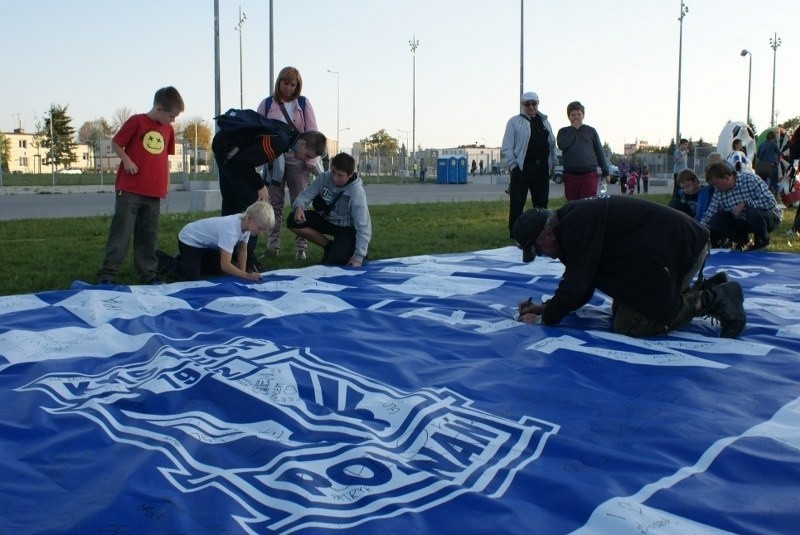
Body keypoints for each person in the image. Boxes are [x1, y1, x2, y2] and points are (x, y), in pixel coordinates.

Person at [512, 196, 746, 338]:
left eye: (539, 249)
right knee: (621, 310)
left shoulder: (576, 226)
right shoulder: (571, 224)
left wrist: (544, 319)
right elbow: (581, 288)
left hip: (683, 251)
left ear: (548, 232)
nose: (545, 256)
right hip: (673, 250)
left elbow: (577, 286)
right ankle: (706, 287)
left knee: (632, 324)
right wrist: (546, 308)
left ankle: (715, 297)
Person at [97, 86, 185, 285]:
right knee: (121, 234)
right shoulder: (137, 122)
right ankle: (107, 275)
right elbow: (117, 143)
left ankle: (148, 274)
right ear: (159, 108)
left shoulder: (168, 130)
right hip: (130, 191)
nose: (173, 121)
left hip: (154, 193)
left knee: (148, 236)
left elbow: (164, 158)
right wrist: (127, 161)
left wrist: (166, 182)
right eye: (171, 116)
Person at [212, 118, 326, 271]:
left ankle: (225, 254)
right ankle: (247, 260)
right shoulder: (278, 143)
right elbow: (244, 162)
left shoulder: (288, 133)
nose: (305, 159)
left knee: (231, 203)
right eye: (307, 155)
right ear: (302, 143)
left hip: (225, 148)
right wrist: (260, 186)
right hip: (229, 153)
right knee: (254, 204)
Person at [257, 66, 320, 260]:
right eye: (285, 83)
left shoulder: (303, 103)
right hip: (273, 159)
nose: (289, 88)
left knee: (299, 202)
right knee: (273, 204)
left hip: (298, 160)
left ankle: (301, 248)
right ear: (279, 82)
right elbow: (257, 131)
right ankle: (272, 247)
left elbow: (312, 133)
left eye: (293, 84)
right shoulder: (267, 104)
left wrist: (310, 159)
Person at [156, 201, 274, 282]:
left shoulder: (246, 226)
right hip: (190, 239)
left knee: (221, 271)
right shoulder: (231, 230)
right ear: (249, 218)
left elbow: (242, 251)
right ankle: (158, 258)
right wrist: (246, 275)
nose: (261, 233)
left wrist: (241, 274)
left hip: (207, 245)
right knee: (190, 278)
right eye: (260, 228)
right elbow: (225, 264)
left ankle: (189, 260)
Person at [288, 153, 372, 267]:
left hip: (346, 227)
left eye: (340, 175)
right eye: (333, 172)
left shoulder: (357, 192)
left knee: (336, 260)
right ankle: (328, 246)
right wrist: (298, 207)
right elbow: (304, 196)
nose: (334, 177)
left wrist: (358, 257)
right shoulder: (323, 178)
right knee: (293, 220)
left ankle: (344, 250)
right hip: (327, 220)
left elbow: (363, 226)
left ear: (350, 175)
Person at [501, 91, 557, 239]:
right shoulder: (514, 122)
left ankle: (540, 234)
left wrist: (553, 164)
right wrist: (514, 166)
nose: (531, 107)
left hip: (542, 168)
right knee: (517, 204)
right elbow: (507, 146)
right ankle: (515, 235)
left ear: (538, 104)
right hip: (522, 168)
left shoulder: (545, 122)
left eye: (534, 103)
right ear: (522, 105)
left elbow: (552, 145)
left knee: (541, 204)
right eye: (528, 104)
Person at [701, 161, 781, 250]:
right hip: (743, 221)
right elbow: (710, 214)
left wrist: (746, 203)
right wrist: (698, 230)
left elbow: (770, 202)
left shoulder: (750, 180)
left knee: (753, 212)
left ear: (726, 178)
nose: (715, 188)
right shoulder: (718, 192)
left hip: (766, 217)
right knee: (716, 219)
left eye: (716, 184)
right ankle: (743, 241)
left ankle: (762, 241)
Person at [556, 101, 610, 201]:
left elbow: (599, 152)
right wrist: (573, 129)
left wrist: (605, 172)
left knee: (588, 204)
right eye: (573, 115)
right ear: (569, 117)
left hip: (589, 175)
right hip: (570, 176)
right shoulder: (563, 131)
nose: (576, 117)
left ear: (583, 115)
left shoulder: (591, 131)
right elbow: (562, 145)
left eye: (579, 114)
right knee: (573, 205)